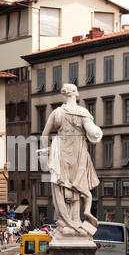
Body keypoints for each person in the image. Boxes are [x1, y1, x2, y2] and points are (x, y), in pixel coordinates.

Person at [40, 83, 102, 238]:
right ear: (76, 94)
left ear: (64, 95)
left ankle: (66, 222)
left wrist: (44, 152)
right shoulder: (83, 112)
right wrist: (94, 131)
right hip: (78, 152)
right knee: (78, 188)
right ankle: (75, 221)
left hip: (60, 151)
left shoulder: (57, 112)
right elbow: (91, 129)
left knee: (61, 187)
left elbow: (44, 134)